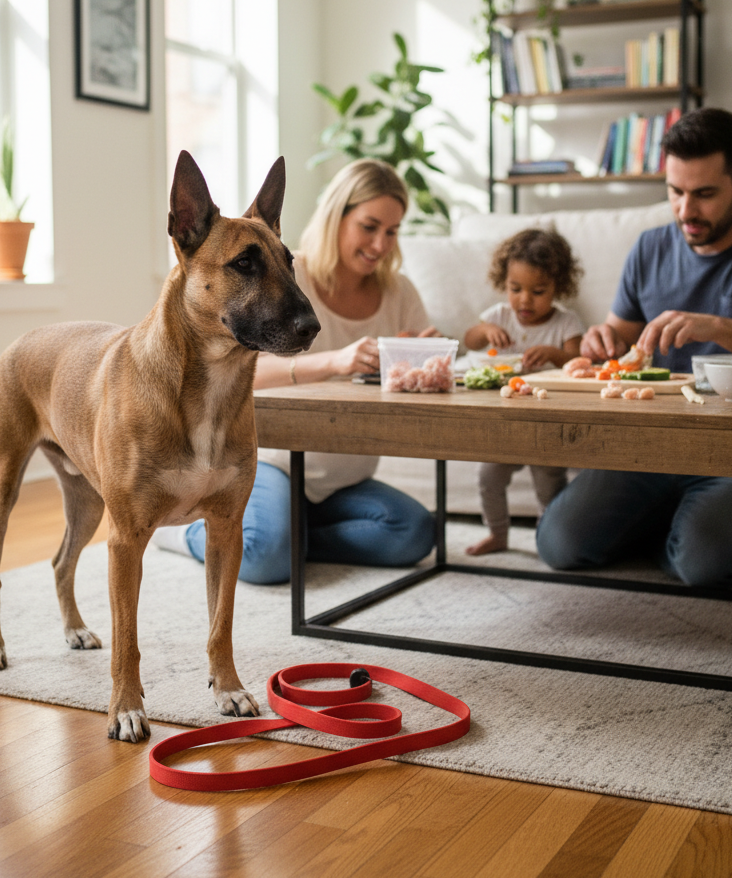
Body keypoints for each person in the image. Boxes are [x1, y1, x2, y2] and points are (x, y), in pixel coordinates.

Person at [535, 107, 732, 588]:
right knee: (558, 545)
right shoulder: (649, 248)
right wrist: (598, 343)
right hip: (648, 448)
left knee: (705, 566)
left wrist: (715, 325)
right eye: (675, 192)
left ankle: (679, 535)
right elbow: (616, 342)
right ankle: (675, 529)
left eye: (704, 194)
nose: (686, 211)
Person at [153, 158, 437, 584]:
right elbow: (244, 367)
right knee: (266, 558)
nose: (380, 244)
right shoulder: (281, 269)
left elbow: (418, 364)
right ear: (336, 217)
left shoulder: (399, 291)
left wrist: (423, 359)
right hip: (277, 463)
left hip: (343, 477)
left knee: (413, 533)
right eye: (369, 226)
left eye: (392, 232)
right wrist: (333, 360)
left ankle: (291, 538)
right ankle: (187, 533)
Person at [462, 227, 584, 555]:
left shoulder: (566, 322)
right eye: (515, 288)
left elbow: (579, 359)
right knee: (489, 476)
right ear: (505, 283)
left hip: (546, 425)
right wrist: (486, 331)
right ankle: (497, 534)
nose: (525, 300)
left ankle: (550, 536)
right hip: (504, 423)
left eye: (539, 290)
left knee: (549, 486)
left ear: (559, 287)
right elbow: (469, 339)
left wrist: (553, 354)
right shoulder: (500, 315)